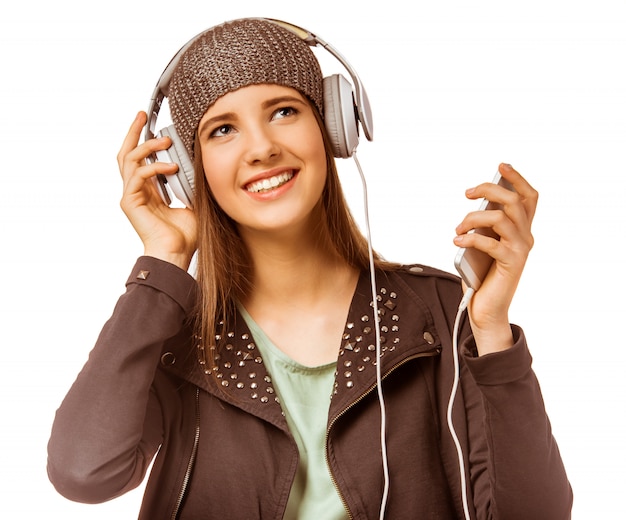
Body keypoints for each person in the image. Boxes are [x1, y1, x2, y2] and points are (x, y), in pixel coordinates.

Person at [47, 17, 573, 520]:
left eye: (283, 112)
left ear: (333, 127)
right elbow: (83, 473)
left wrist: (491, 331)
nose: (262, 148)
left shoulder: (437, 312)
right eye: (223, 130)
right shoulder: (175, 333)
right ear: (186, 170)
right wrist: (162, 264)